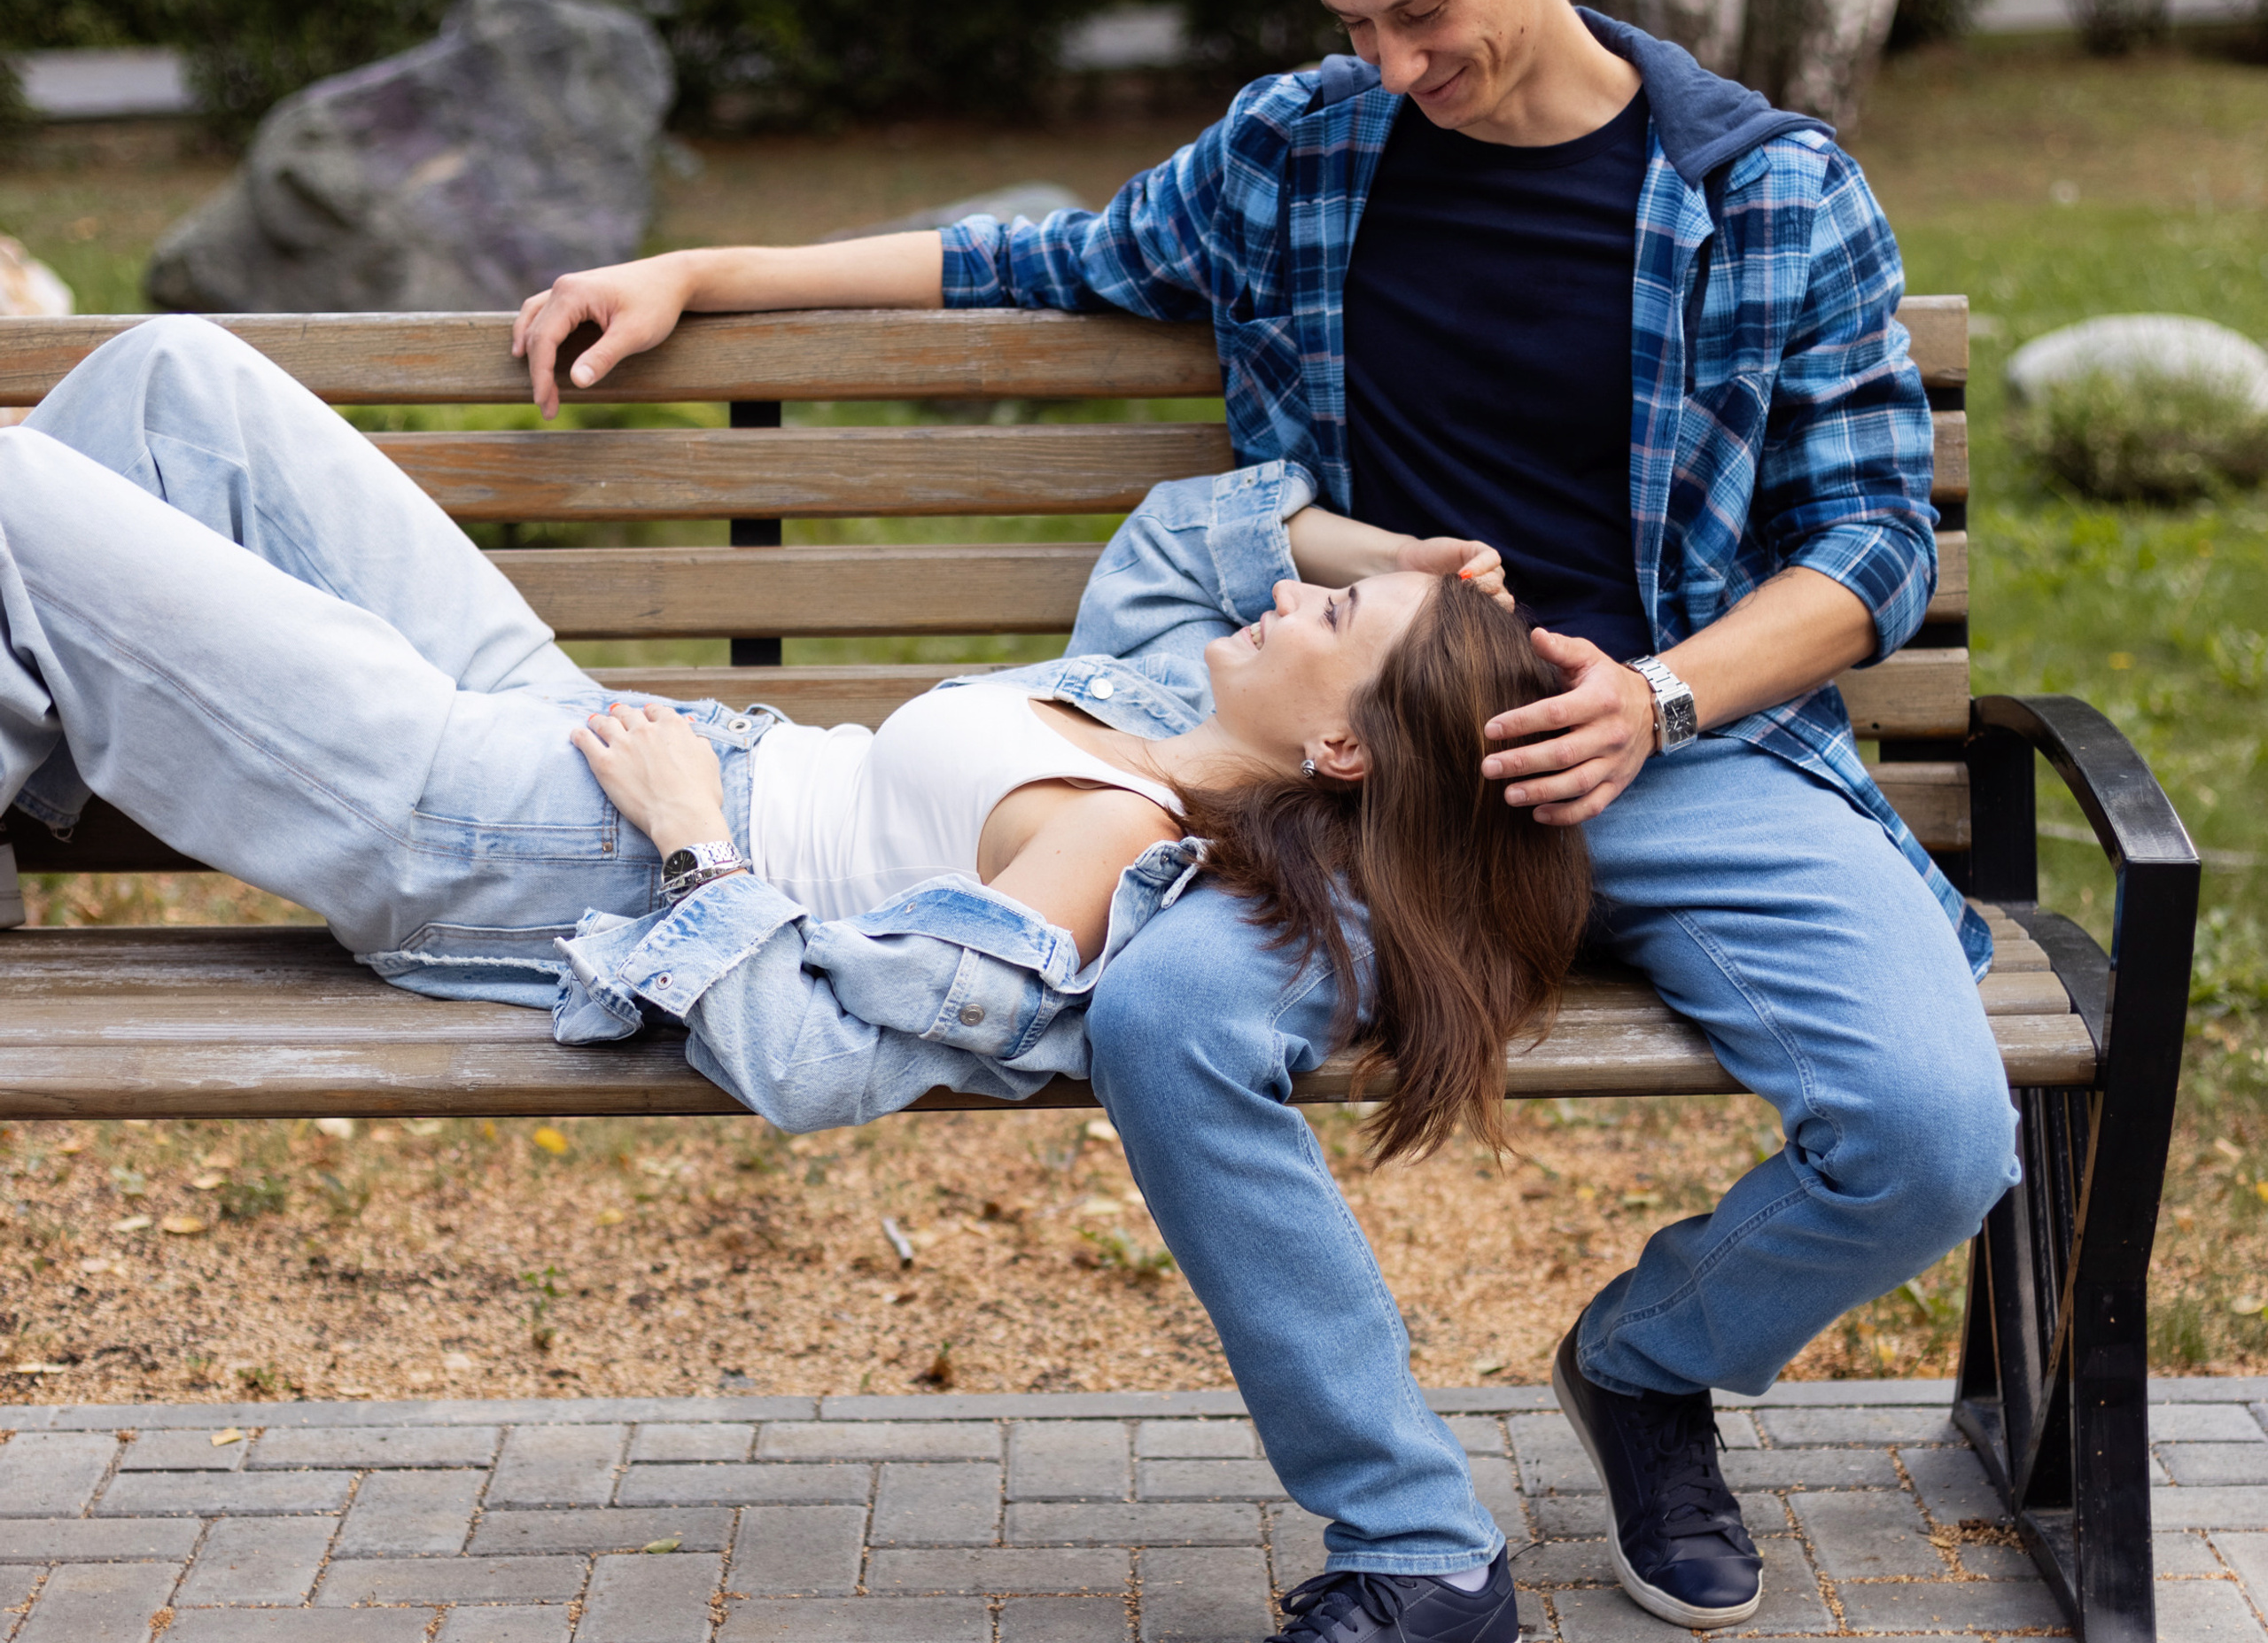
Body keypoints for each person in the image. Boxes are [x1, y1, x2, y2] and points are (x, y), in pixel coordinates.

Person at [530, 0, 2025, 1643]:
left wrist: (1653, 695)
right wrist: (703, 277)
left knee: (1931, 1132)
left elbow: (1870, 546)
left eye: (1422, 13)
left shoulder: (1760, 189)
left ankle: (1650, 1363)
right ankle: (1410, 1548)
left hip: (1687, 743)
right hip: (1357, 777)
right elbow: (1038, 257)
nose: (1393, 65)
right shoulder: (1300, 153)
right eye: (1352, 24)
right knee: (1162, 1011)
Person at [2, 317, 1584, 1393]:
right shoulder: (1165, 706)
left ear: (1344, 751)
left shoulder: (1113, 844)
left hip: (485, 823)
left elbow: (825, 1064)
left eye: (1330, 620)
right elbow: (1186, 535)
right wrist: (1395, 567)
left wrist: (696, 844)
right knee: (167, 372)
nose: (1294, 597)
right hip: (562, 718)